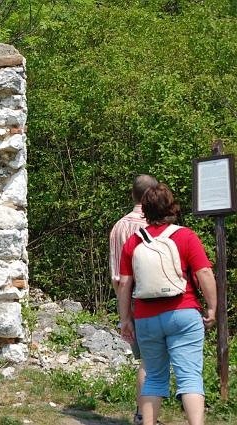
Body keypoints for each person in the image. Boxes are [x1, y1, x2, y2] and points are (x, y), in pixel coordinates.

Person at [118, 183, 217, 425]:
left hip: (146, 318)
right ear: (172, 207)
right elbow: (204, 273)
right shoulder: (186, 236)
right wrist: (212, 307)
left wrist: (125, 319)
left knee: (153, 376)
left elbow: (124, 284)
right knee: (189, 376)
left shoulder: (133, 242)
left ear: (145, 210)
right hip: (183, 312)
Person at [109, 174, 157, 425]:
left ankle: (142, 414)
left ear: (132, 194)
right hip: (160, 300)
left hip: (133, 300)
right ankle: (147, 415)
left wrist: (124, 313)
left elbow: (117, 277)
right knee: (156, 361)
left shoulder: (119, 226)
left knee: (147, 360)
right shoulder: (157, 225)